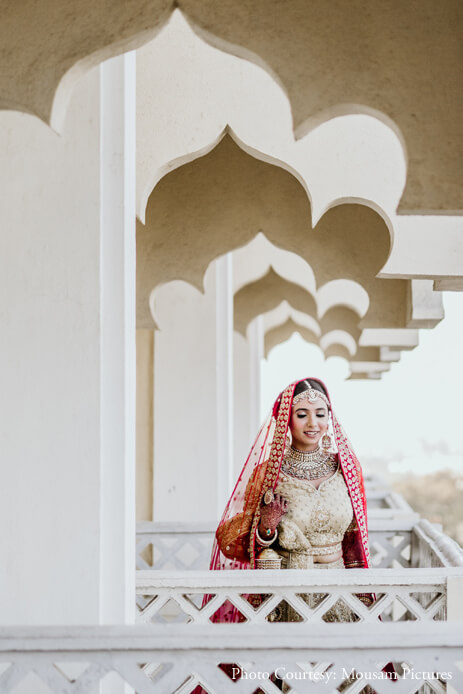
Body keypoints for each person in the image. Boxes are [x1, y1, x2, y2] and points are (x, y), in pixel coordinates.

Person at [212, 377, 370, 583]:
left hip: (338, 589)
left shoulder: (345, 469)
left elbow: (354, 540)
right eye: (302, 415)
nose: (313, 423)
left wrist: (362, 596)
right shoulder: (268, 473)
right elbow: (241, 545)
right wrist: (266, 528)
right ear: (286, 418)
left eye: (320, 414)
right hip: (286, 589)